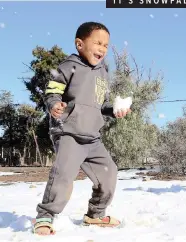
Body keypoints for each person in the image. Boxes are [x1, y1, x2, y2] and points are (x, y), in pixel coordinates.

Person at [33, 22, 130, 236]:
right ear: (79, 44)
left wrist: (114, 110)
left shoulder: (103, 72)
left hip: (92, 136)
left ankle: (95, 215)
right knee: (63, 174)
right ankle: (45, 216)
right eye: (97, 43)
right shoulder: (68, 66)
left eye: (106, 45)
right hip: (68, 132)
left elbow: (100, 104)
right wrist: (53, 104)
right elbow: (52, 91)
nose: (103, 49)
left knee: (109, 172)